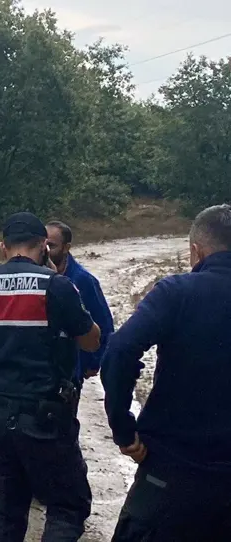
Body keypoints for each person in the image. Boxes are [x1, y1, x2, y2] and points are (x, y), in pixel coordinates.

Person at [0, 211, 101, 542]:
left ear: (4, 247)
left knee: (3, 515)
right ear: (43, 245)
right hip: (45, 421)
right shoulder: (56, 286)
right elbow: (91, 339)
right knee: (66, 507)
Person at [101, 204, 231, 542]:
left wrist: (123, 429)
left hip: (173, 472)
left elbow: (118, 350)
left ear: (196, 251)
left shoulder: (177, 293)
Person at [46, 220, 114, 406]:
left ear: (66, 247)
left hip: (71, 372)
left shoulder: (83, 281)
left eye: (51, 245)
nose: (45, 250)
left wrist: (93, 362)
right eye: (42, 244)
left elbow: (105, 324)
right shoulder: (37, 276)